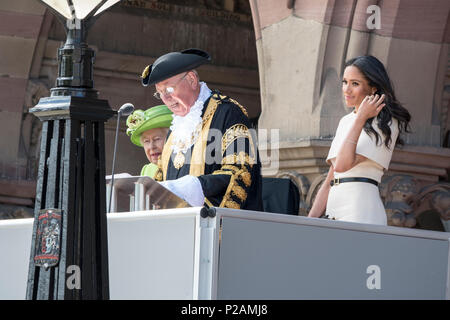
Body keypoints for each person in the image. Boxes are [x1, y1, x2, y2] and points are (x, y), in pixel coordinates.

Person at [140, 48, 262, 210]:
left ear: (191, 79)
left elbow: (239, 173)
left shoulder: (228, 113)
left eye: (169, 90)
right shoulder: (175, 128)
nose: (166, 99)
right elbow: (163, 178)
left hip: (218, 228)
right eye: (160, 93)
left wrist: (192, 187)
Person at [308, 55, 411, 225]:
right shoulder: (345, 121)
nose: (346, 89)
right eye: (344, 82)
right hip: (334, 210)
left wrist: (360, 119)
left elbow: (343, 164)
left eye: (355, 83)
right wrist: (309, 221)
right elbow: (330, 179)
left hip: (360, 209)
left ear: (373, 88)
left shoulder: (386, 122)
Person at [126, 105, 173, 179]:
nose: (151, 147)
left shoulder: (183, 165)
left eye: (157, 139)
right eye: (146, 141)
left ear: (172, 139)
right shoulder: (147, 170)